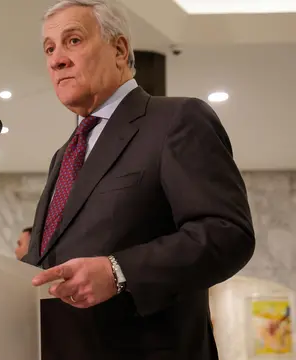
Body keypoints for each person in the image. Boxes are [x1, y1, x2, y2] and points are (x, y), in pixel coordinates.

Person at [24, 1, 255, 359]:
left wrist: (119, 271)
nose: (57, 60)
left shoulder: (176, 119)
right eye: (49, 48)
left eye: (73, 41)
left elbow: (227, 233)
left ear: (119, 50)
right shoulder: (65, 154)